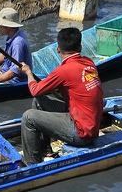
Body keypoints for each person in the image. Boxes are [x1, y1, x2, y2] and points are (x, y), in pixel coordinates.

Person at [17, 27, 103, 164]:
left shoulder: (64, 70)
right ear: (80, 46)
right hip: (91, 124)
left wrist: (28, 73)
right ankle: (45, 149)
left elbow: (34, 89)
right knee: (39, 100)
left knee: (28, 117)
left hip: (81, 133)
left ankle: (31, 164)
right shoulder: (89, 63)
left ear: (58, 49)